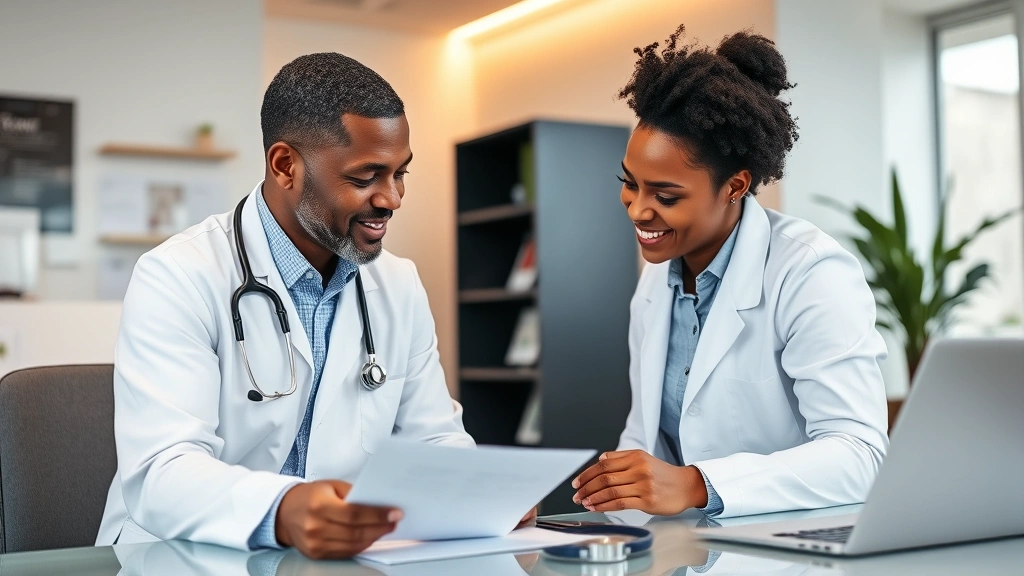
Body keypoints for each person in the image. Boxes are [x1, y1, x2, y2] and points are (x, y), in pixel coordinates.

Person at [96, 53, 489, 559]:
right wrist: (284, 509)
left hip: (332, 563)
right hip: (181, 555)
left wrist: (477, 492)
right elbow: (162, 471)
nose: (392, 198)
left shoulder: (399, 284)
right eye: (367, 176)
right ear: (286, 166)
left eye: (400, 173)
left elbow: (434, 439)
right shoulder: (178, 275)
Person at [571, 26, 889, 518]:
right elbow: (646, 442)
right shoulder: (656, 281)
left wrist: (699, 484)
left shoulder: (809, 272)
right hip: (692, 550)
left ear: (735, 186)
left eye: (666, 196)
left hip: (791, 548)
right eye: (629, 184)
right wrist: (611, 520)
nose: (637, 210)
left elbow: (860, 455)